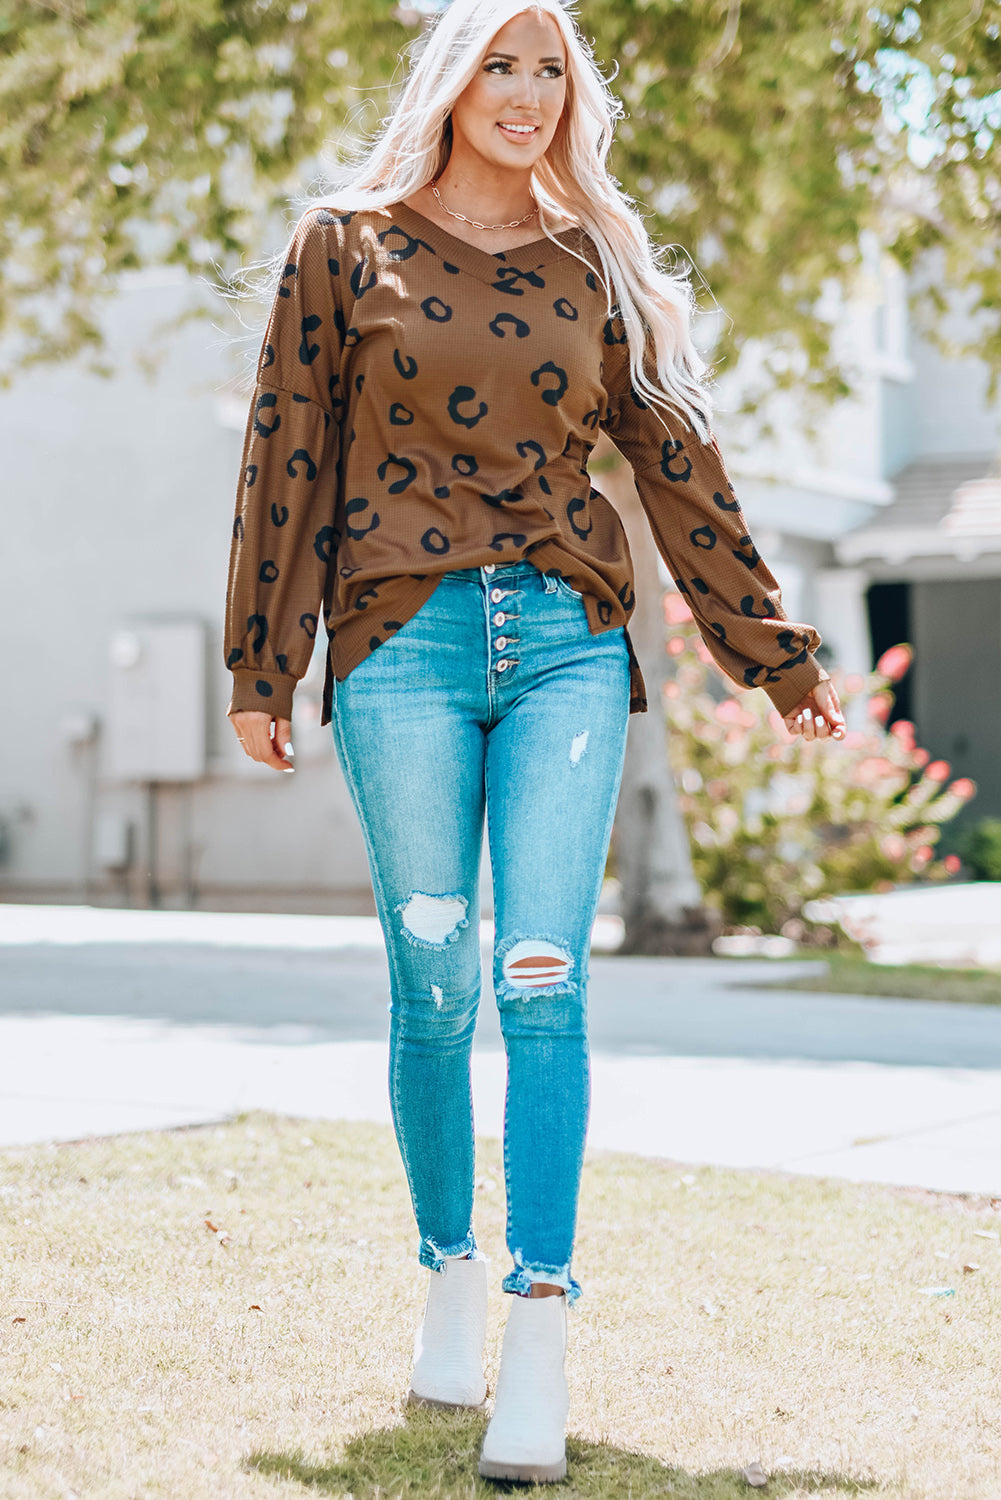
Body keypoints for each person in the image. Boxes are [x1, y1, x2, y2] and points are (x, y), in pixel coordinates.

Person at [223, 0, 846, 1482]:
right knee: (434, 983)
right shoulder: (344, 244)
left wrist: (771, 654)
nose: (520, 92)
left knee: (541, 978)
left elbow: (677, 471)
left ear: (574, 97)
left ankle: (539, 1330)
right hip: (401, 645)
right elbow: (286, 448)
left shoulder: (592, 263)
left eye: (547, 70)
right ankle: (445, 1268)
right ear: (448, 82)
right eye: (496, 64)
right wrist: (263, 658)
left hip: (567, 641)